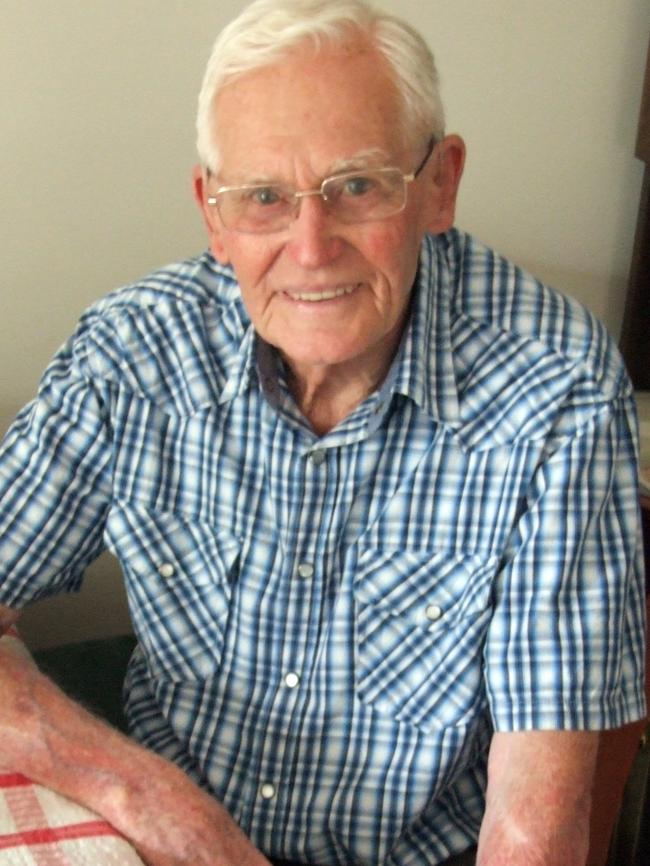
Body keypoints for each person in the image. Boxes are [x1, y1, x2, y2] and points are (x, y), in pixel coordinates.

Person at [0, 0, 646, 864]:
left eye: (358, 186)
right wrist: (147, 796)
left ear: (440, 184)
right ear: (212, 211)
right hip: (167, 836)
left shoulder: (556, 388)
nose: (310, 248)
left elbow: (534, 826)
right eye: (264, 197)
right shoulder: (135, 353)